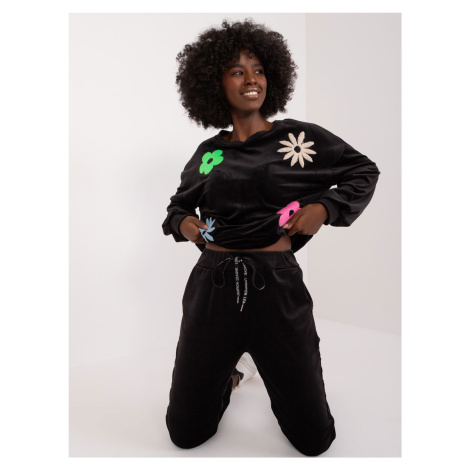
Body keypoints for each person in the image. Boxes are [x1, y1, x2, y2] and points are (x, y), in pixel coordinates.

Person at [162, 19, 380, 457]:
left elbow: (363, 171)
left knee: (314, 441)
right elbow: (178, 208)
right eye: (237, 71)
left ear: (272, 78)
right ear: (214, 83)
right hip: (211, 287)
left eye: (259, 70)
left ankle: (256, 363)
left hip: (277, 285)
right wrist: (186, 226)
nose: (251, 80)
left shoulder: (298, 139)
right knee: (185, 434)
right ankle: (233, 374)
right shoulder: (209, 154)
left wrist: (324, 209)